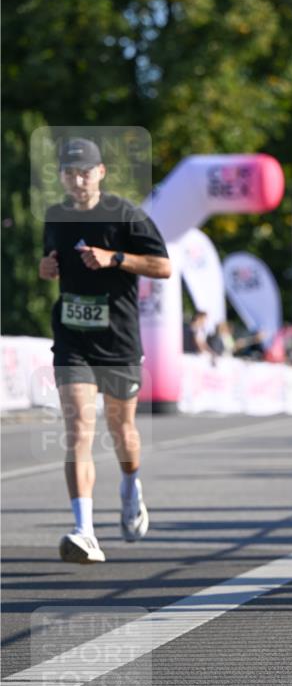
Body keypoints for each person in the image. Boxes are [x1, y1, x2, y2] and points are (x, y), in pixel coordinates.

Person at [39, 138, 171, 564]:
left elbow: (163, 266)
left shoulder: (126, 215)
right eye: (69, 173)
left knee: (123, 434)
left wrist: (114, 258)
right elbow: (50, 260)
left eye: (85, 172)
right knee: (78, 431)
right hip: (73, 340)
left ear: (101, 173)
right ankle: (85, 531)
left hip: (118, 342)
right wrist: (46, 267)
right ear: (61, 175)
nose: (77, 180)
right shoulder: (55, 216)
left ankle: (131, 484)